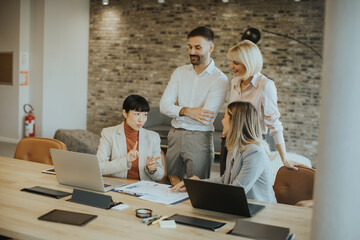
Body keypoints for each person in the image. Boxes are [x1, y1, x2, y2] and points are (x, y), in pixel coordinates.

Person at [172, 101, 277, 203]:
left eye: (224, 117)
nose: (222, 121)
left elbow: (236, 191)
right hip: (240, 207)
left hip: (260, 212)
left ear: (234, 122)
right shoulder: (235, 148)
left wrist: (201, 189)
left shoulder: (255, 153)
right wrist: (196, 183)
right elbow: (224, 180)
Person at [160, 26, 228, 179]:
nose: (192, 52)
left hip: (199, 139)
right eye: (190, 47)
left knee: (196, 188)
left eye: (198, 47)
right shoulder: (179, 72)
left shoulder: (219, 79)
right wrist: (187, 111)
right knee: (169, 183)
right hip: (175, 135)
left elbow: (205, 117)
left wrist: (177, 109)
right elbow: (164, 105)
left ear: (211, 47)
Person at [225, 40, 302, 171]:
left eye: (236, 62)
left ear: (249, 62)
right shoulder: (234, 82)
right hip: (232, 140)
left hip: (252, 144)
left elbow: (274, 123)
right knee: (227, 182)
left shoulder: (266, 85)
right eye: (231, 61)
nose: (231, 66)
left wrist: (284, 159)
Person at [97, 94, 164, 181]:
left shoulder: (153, 137)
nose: (141, 119)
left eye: (145, 115)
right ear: (125, 113)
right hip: (118, 187)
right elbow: (99, 167)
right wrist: (125, 160)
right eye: (137, 114)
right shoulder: (108, 134)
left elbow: (160, 175)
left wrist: (152, 169)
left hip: (143, 189)